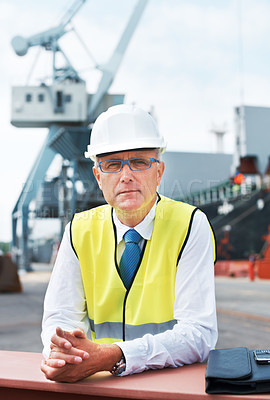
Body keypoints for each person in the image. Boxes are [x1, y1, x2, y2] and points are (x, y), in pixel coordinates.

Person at [41, 104, 218, 382]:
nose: (126, 176)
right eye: (112, 164)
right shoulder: (78, 230)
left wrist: (113, 355)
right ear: (98, 177)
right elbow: (60, 315)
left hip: (170, 383)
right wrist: (65, 350)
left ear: (159, 171)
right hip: (99, 384)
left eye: (139, 162)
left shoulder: (190, 224)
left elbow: (199, 334)